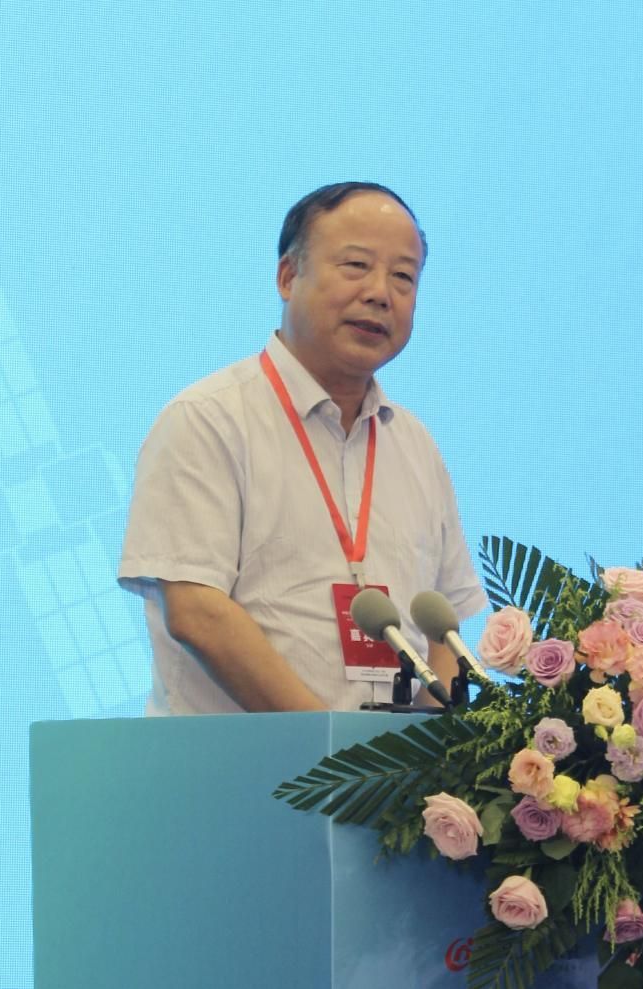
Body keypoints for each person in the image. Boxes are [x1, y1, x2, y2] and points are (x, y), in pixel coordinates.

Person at [118, 182, 487, 715]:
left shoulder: (414, 445)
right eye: (356, 266)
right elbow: (197, 611)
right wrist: (334, 752)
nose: (380, 293)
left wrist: (433, 749)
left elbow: (442, 632)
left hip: (390, 769)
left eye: (403, 277)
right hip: (241, 765)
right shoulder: (208, 419)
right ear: (288, 276)